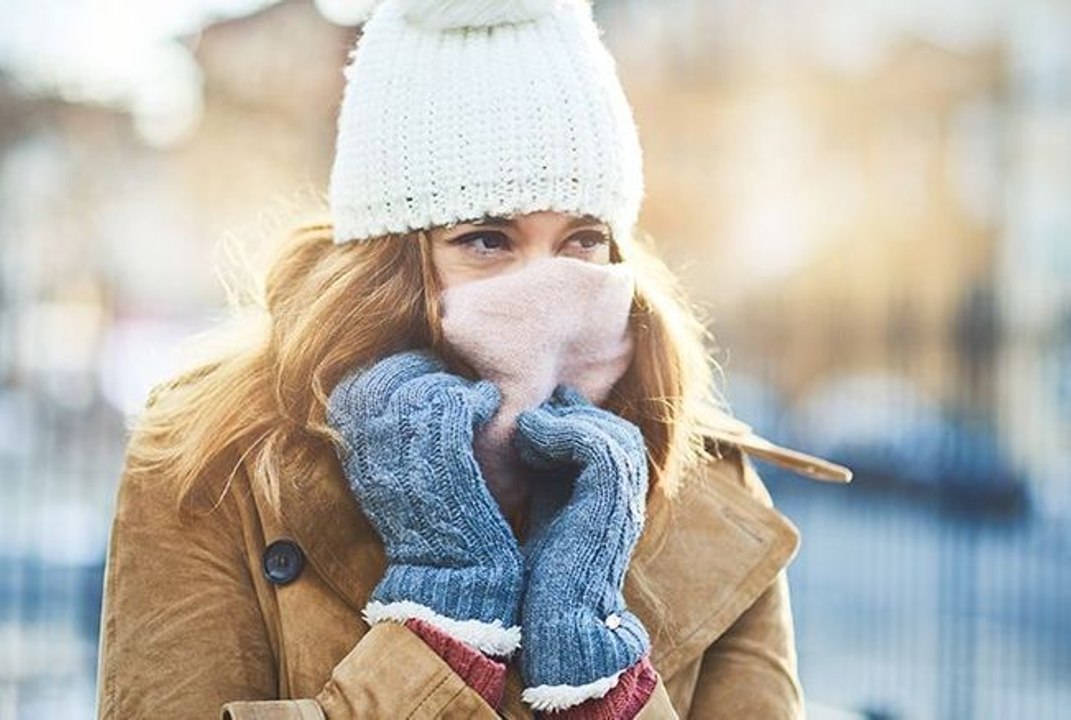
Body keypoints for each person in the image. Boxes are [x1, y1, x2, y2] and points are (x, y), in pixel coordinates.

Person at [94, 0, 852, 718]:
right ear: (387, 261)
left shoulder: (710, 493)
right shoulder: (215, 458)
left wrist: (598, 679)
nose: (546, 288)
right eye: (487, 239)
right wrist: (440, 630)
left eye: (582, 239)